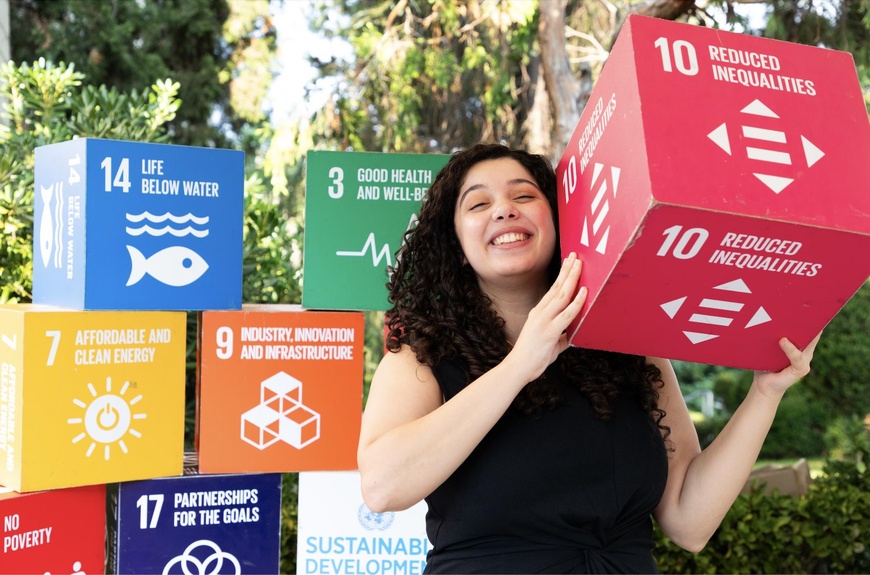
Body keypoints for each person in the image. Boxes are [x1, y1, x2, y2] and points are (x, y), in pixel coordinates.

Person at [357, 143, 819, 573]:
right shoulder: (423, 354)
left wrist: (765, 393)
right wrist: (520, 364)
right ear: (456, 247)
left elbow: (689, 522)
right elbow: (382, 487)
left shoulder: (629, 347)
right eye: (478, 204)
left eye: (524, 195)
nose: (503, 209)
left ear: (561, 221)